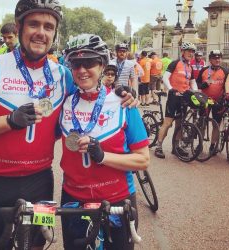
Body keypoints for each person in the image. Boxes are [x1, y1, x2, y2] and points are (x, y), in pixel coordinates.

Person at [0, 1, 136, 249]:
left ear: (54, 33)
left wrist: (122, 92)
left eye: (49, 26)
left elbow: (92, 94)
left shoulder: (64, 75)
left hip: (40, 182)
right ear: (19, 27)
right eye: (34, 24)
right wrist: (8, 121)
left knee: (38, 245)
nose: (41, 32)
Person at [60, 33, 149, 250]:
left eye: (89, 62)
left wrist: (102, 156)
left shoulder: (123, 103)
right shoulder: (64, 103)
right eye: (76, 63)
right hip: (74, 199)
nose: (82, 70)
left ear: (101, 65)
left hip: (117, 198)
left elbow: (143, 160)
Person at [154, 42, 198, 159]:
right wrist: (171, 89)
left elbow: (192, 82)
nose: (191, 53)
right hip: (174, 97)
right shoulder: (175, 63)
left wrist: (196, 91)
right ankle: (158, 146)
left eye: (192, 51)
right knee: (168, 123)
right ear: (182, 52)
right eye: (188, 51)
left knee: (180, 123)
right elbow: (165, 77)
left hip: (184, 98)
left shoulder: (190, 67)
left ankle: (176, 147)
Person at [196, 50, 227, 154]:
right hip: (205, 101)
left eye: (219, 58)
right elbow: (197, 84)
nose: (217, 60)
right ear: (210, 60)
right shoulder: (204, 70)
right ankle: (199, 145)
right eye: (215, 58)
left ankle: (213, 146)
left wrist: (224, 98)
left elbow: (227, 86)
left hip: (218, 102)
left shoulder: (225, 71)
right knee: (202, 123)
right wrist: (204, 85)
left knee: (216, 125)